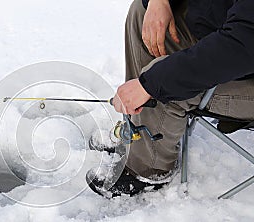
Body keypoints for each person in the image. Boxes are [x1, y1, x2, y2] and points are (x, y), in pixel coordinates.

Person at [87, 0, 254, 197]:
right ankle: (137, 134)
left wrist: (151, 84)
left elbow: (240, 47)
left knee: (166, 83)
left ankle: (149, 169)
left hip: (243, 58)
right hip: (228, 32)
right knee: (142, 13)